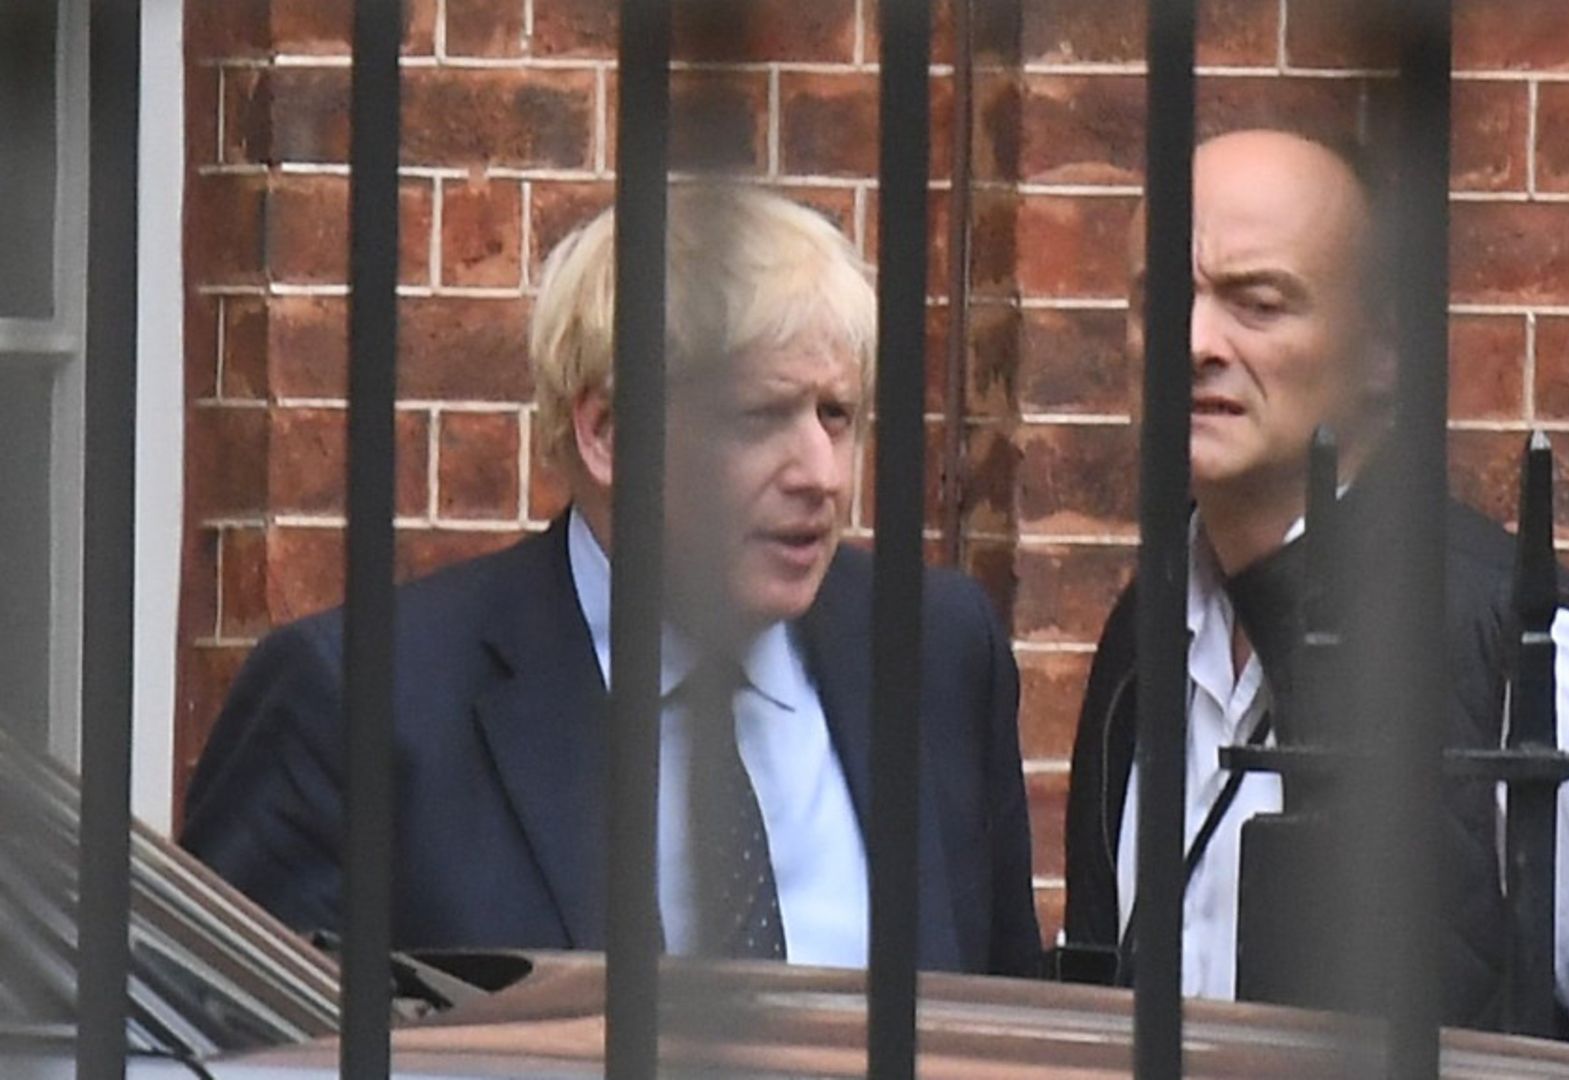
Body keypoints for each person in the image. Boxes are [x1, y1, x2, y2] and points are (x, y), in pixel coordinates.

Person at [183, 187, 1042, 976]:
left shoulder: (934, 651)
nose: (819, 472)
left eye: (836, 415)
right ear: (605, 434)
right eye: (760, 417)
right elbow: (235, 1045)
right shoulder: (363, 702)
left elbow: (1007, 1029)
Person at [1061, 128, 1569, 1051]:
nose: (1194, 341)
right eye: (1160, 298)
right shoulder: (1145, 636)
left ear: (1383, 354)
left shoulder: (1524, 646)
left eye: (1258, 303)